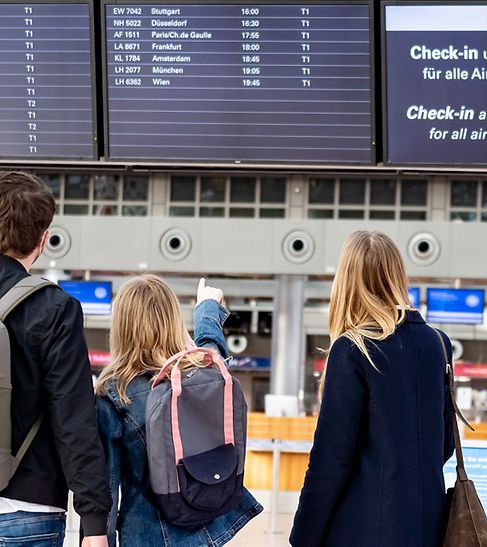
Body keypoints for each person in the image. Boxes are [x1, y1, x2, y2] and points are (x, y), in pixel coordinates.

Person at [290, 231, 456, 547]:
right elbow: (445, 443)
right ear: (397, 275)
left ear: (347, 280)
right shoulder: (438, 344)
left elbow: (331, 459)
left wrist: (303, 536)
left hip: (365, 528)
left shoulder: (354, 349)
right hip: (431, 527)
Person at [95, 275, 262, 546]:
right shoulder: (199, 374)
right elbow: (212, 350)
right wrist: (207, 308)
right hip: (207, 528)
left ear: (121, 327)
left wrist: (97, 537)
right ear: (172, 319)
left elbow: (106, 487)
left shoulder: (115, 394)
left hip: (146, 534)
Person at [0, 171, 111, 546]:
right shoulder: (54, 309)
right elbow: (74, 422)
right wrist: (95, 523)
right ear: (43, 239)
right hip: (29, 507)